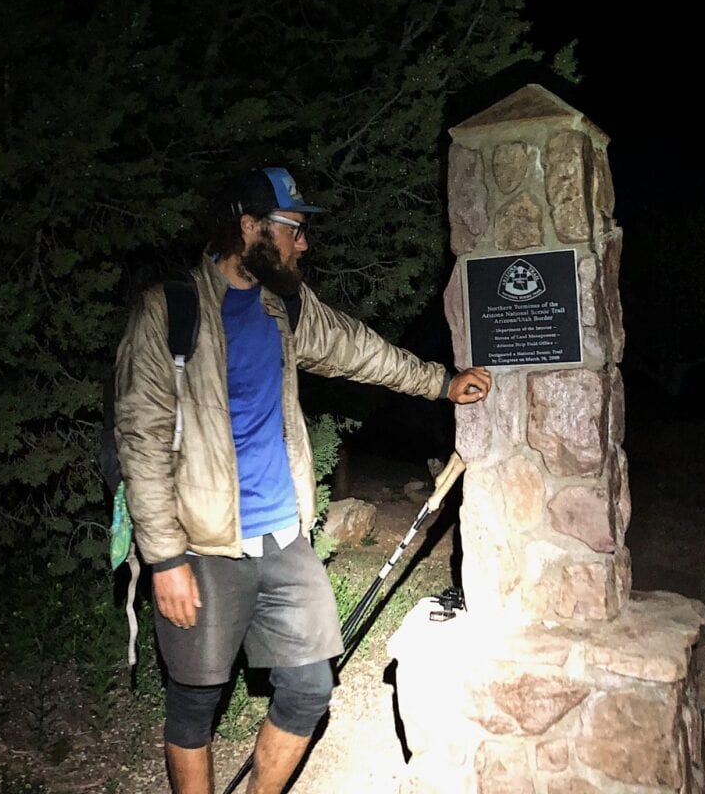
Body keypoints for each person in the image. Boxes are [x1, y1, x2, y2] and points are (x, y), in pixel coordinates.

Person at [113, 167, 490, 794]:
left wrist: (440, 383)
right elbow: (142, 442)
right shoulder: (170, 312)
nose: (303, 243)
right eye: (294, 228)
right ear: (248, 226)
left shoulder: (280, 304)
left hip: (283, 536)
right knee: (195, 701)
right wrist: (164, 559)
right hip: (203, 545)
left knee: (312, 686)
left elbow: (356, 348)